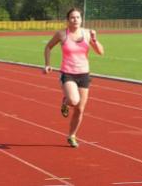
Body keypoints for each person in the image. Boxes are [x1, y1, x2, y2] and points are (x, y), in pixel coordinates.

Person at [43, 8, 104, 148]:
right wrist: (47, 64)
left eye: (77, 17)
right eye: (72, 17)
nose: (75, 20)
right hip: (68, 73)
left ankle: (72, 135)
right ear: (68, 20)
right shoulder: (62, 34)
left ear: (81, 19)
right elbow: (48, 47)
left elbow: (100, 52)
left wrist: (95, 39)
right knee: (73, 100)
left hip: (84, 74)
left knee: (80, 109)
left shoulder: (88, 34)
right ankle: (66, 101)